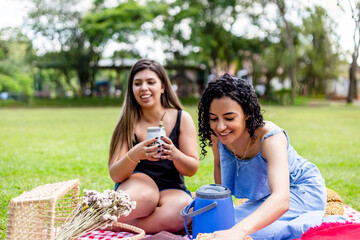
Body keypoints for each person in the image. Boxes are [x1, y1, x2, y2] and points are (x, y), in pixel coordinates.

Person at [197, 73, 335, 240]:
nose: (220, 126)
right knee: (213, 223)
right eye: (213, 118)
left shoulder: (270, 138)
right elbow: (219, 165)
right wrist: (221, 208)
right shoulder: (217, 135)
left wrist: (237, 232)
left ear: (247, 113)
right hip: (268, 195)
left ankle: (307, 224)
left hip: (302, 190)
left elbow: (281, 198)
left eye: (229, 118)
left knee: (246, 231)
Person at [108, 59, 199, 233]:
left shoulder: (181, 118)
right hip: (137, 184)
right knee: (147, 197)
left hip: (171, 188)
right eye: (137, 83)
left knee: (184, 210)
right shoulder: (127, 123)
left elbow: (192, 168)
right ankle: (119, 221)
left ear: (163, 87)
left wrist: (175, 154)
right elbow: (115, 174)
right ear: (131, 89)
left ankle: (115, 225)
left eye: (151, 82)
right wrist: (134, 155)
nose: (144, 88)